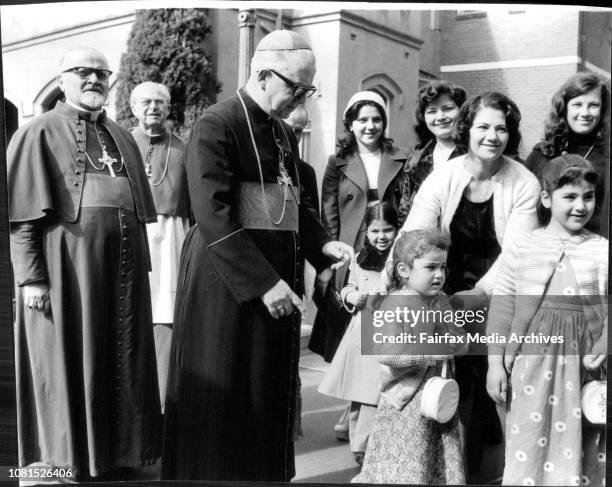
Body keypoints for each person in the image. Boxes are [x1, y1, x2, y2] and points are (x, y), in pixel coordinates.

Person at [161, 30, 354, 482]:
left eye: (308, 89)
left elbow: (295, 205)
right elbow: (212, 212)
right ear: (264, 74)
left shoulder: (283, 132)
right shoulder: (217, 122)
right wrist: (264, 283)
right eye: (297, 87)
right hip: (226, 283)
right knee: (224, 392)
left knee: (263, 394)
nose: (302, 97)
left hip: (275, 280)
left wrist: (322, 244)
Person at [7, 47, 161, 481]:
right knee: (66, 363)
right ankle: (61, 463)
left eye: (101, 73)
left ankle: (115, 455)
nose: (94, 80)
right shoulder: (36, 132)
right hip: (66, 273)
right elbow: (21, 220)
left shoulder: (121, 136)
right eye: (83, 72)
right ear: (63, 79)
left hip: (122, 275)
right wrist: (32, 278)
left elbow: (137, 209)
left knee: (120, 357)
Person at [398, 92, 541, 481]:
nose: (492, 136)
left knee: (489, 389)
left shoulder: (523, 182)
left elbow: (516, 256)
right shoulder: (445, 175)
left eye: (501, 128)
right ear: (467, 129)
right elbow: (415, 231)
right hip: (443, 291)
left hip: (496, 296)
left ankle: (488, 473)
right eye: (483, 126)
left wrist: (474, 297)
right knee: (438, 388)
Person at [486, 154, 607, 486]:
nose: (580, 205)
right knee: (528, 439)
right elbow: (501, 307)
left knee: (583, 445)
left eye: (588, 196)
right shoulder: (523, 247)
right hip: (532, 362)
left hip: (585, 364)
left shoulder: (601, 249)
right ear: (545, 198)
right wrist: (495, 363)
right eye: (569, 196)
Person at [353, 229, 467, 484]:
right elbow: (388, 354)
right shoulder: (394, 304)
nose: (440, 274)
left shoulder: (440, 301)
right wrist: (431, 351)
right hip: (405, 403)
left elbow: (460, 341)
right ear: (404, 270)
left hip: (438, 396)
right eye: (431, 267)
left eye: (443, 267)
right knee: (408, 466)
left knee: (437, 463)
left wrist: (454, 342)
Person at [318, 202, 399, 466]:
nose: (382, 237)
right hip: (363, 330)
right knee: (361, 393)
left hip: (391, 330)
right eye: (375, 230)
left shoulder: (400, 259)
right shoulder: (359, 259)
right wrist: (354, 296)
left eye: (388, 230)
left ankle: (375, 444)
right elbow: (346, 288)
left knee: (379, 393)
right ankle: (360, 447)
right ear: (366, 231)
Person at [130, 81, 190, 412]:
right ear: (134, 108)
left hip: (172, 235)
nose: (153, 107)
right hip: (135, 232)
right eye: (146, 102)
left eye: (160, 103)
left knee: (165, 314)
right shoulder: (121, 144)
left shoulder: (183, 148)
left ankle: (165, 401)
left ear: (169, 109)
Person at [524, 72, 609, 237]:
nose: (585, 113)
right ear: (564, 107)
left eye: (593, 105)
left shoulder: (607, 156)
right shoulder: (541, 154)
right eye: (577, 104)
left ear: (603, 109)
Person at [398, 80, 467, 222]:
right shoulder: (416, 160)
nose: (440, 117)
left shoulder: (475, 156)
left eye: (447, 108)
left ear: (461, 111)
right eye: (432, 111)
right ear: (423, 117)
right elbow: (405, 212)